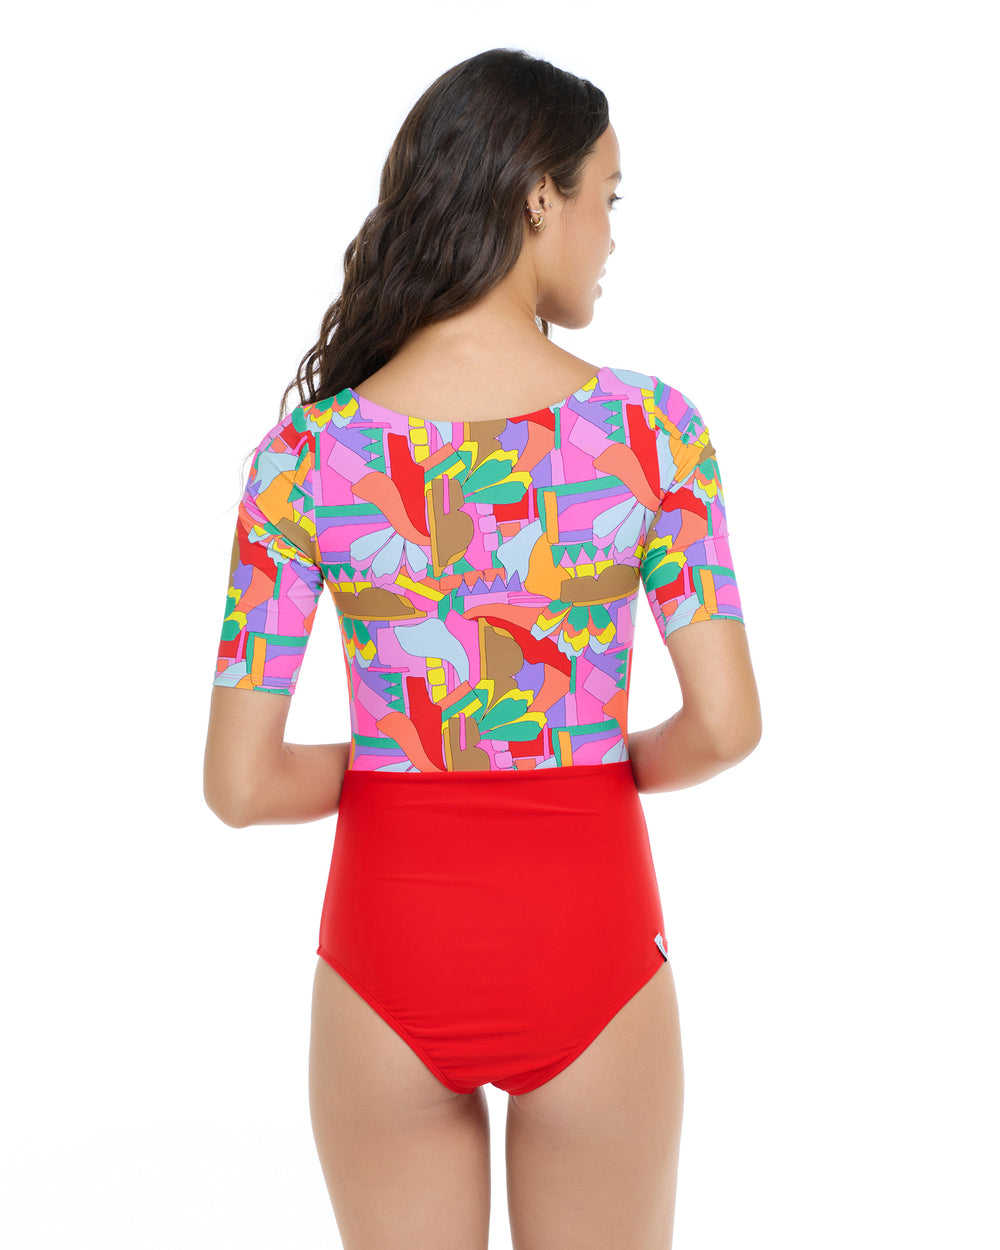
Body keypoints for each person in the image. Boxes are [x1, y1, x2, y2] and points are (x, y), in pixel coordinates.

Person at [203, 45, 761, 1250]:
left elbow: (239, 784)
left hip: (385, 946)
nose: (610, 235)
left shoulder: (305, 459)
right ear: (538, 197)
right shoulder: (650, 432)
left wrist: (412, 755)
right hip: (589, 931)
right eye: (606, 197)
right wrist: (586, 759)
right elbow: (724, 726)